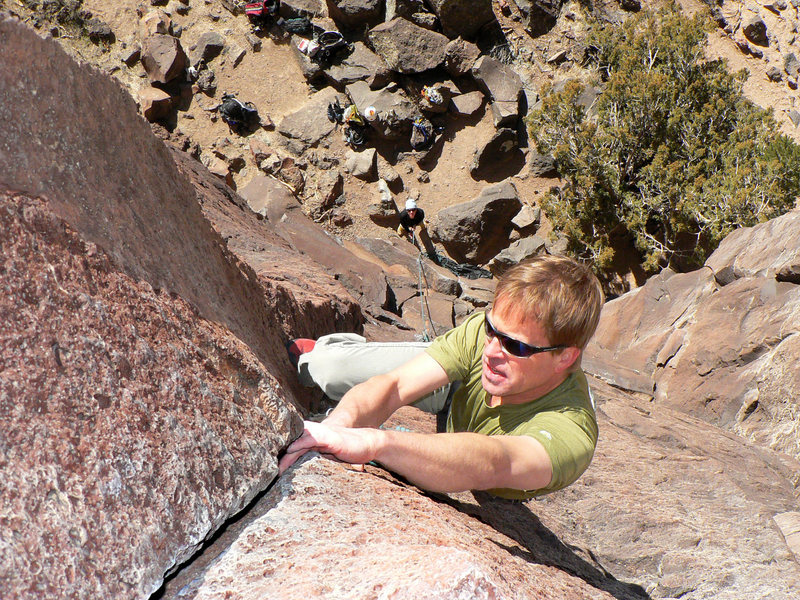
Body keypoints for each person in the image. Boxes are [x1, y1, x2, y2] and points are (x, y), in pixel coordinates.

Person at [280, 255, 604, 500]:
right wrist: (337, 431)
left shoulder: (570, 433)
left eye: (515, 345)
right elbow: (393, 386)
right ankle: (338, 348)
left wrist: (374, 442)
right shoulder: (486, 341)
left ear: (566, 357)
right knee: (326, 366)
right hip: (455, 383)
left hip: (470, 442)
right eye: (491, 328)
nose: (491, 350)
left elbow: (494, 462)